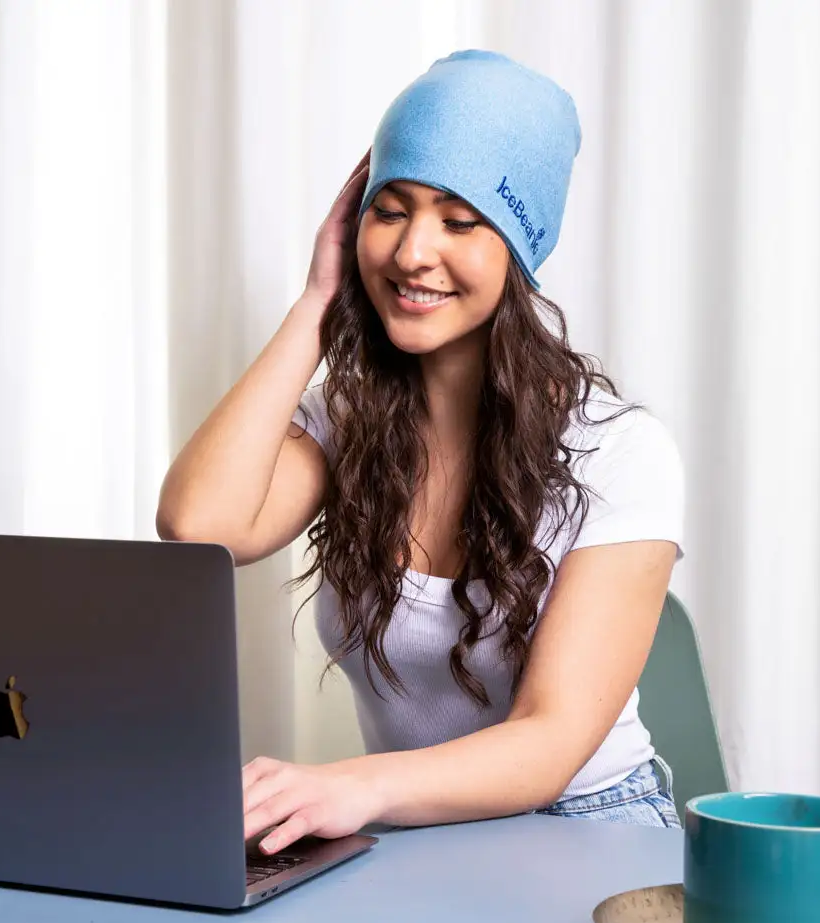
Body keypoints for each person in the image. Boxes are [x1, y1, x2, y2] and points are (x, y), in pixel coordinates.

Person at [157, 50, 685, 856]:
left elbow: (548, 744)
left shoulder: (619, 450)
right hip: (417, 834)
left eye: (459, 220)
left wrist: (346, 787)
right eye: (390, 210)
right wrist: (318, 301)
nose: (410, 253)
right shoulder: (346, 417)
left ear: (519, 245)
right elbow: (200, 528)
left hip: (589, 829)